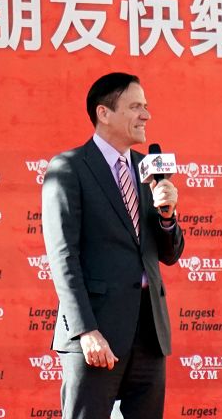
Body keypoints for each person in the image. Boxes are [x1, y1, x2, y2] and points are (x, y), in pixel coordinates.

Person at [42, 72, 185, 419]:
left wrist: (168, 215)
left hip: (149, 333)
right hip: (96, 330)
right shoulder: (69, 168)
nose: (146, 115)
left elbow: (169, 253)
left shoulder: (147, 170)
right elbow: (63, 256)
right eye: (135, 107)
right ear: (104, 113)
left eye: (145, 107)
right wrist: (85, 330)